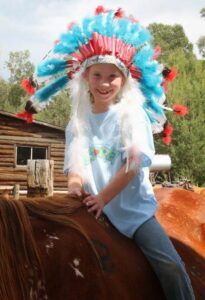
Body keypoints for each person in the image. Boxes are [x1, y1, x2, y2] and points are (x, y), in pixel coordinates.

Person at [21, 6, 195, 300]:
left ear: (124, 79)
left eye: (112, 76)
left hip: (133, 214)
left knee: (172, 267)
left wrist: (104, 197)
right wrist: (75, 189)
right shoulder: (78, 120)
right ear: (86, 77)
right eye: (97, 75)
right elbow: (75, 167)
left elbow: (133, 164)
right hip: (91, 208)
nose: (104, 83)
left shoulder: (132, 115)